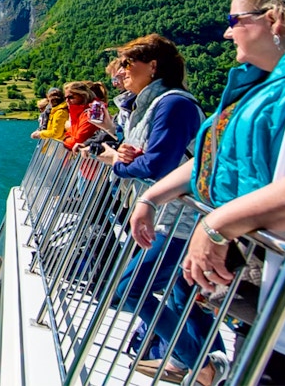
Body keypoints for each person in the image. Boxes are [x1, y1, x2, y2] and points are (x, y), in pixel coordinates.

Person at [129, 0, 285, 386]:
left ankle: (196, 362)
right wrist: (151, 199)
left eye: (235, 21)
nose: (226, 34)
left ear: (275, 20)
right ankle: (203, 363)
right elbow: (207, 158)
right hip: (260, 279)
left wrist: (216, 226)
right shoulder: (258, 89)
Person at [88, 33, 215, 382]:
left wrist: (117, 161)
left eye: (128, 63)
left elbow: (157, 165)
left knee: (130, 288)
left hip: (180, 219)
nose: (122, 70)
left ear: (154, 66)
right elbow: (142, 154)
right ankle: (184, 359)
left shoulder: (174, 104)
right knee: (180, 290)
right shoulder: (152, 105)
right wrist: (126, 153)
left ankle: (200, 362)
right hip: (165, 216)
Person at [62, 81, 100, 151]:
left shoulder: (91, 113)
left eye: (70, 97)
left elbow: (77, 141)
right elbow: (70, 133)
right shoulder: (77, 113)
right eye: (65, 98)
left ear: (83, 96)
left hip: (90, 158)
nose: (67, 100)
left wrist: (65, 140)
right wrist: (67, 138)